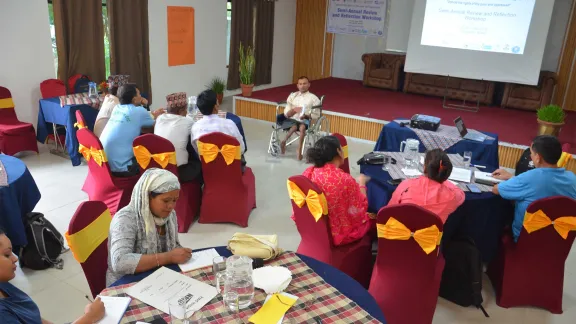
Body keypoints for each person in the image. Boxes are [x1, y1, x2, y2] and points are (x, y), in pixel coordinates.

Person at [107, 169, 193, 286]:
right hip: (128, 283)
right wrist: (168, 257)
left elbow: (173, 245)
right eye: (166, 200)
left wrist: (181, 253)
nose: (171, 206)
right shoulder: (126, 219)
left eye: (175, 200)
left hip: (157, 275)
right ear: (147, 196)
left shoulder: (168, 215)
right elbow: (120, 262)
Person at [0, 228, 105, 323]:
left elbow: (36, 320)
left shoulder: (3, 283)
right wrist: (90, 317)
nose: (15, 259)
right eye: (7, 254)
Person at [492, 135, 576, 241]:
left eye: (531, 153)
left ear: (538, 157)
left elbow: (497, 189)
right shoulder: (572, 179)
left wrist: (515, 180)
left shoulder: (529, 177)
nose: (531, 156)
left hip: (526, 239)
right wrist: (513, 178)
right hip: (559, 241)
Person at [295, 136, 373, 246]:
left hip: (315, 230)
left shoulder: (308, 173)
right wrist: (362, 184)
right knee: (372, 219)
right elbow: (361, 206)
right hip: (337, 235)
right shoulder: (345, 179)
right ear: (338, 151)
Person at [388, 149, 465, 223]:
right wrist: (442, 179)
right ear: (447, 173)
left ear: (424, 167)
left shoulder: (406, 185)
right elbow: (460, 194)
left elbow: (389, 210)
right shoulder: (452, 197)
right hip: (428, 236)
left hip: (398, 234)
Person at [100, 84, 161, 177]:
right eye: (139, 94)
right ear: (134, 99)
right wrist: (158, 115)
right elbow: (156, 124)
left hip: (104, 165)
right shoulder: (139, 111)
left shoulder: (117, 108)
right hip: (122, 168)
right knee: (154, 157)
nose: (141, 96)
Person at [154, 92, 201, 183]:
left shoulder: (160, 118)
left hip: (159, 166)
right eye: (185, 110)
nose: (187, 112)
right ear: (180, 111)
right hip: (179, 171)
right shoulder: (188, 121)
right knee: (198, 160)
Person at [191, 89, 246, 155]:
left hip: (208, 164)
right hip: (230, 163)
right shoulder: (229, 124)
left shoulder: (195, 128)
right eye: (217, 101)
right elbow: (241, 149)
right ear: (216, 107)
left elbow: (197, 151)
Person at [279, 76, 321, 160]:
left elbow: (316, 114)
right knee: (294, 126)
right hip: (292, 119)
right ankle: (284, 142)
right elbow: (287, 113)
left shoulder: (314, 98)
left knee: (302, 127)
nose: (302, 86)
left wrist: (306, 116)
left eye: (304, 83)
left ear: (309, 85)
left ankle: (299, 149)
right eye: (300, 84)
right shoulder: (293, 96)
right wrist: (294, 110)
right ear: (297, 85)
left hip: (305, 119)